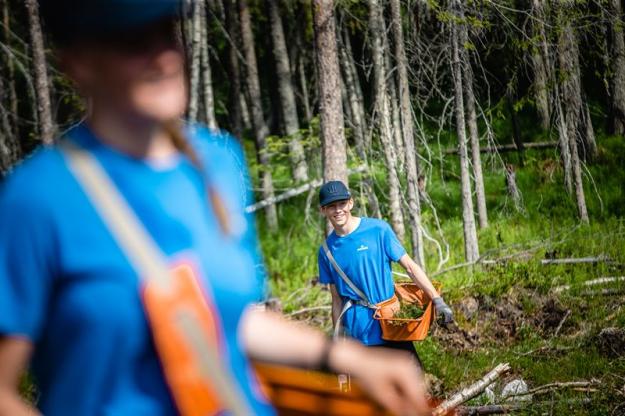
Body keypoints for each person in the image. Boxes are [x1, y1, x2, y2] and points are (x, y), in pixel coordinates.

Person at [0, 1, 430, 415]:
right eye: (134, 41)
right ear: (77, 62)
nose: (163, 56)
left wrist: (350, 360)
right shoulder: (38, 200)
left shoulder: (217, 163)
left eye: (168, 32)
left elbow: (229, 320)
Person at [318, 180, 454, 365]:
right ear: (323, 210)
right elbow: (336, 300)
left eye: (342, 203)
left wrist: (437, 300)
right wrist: (337, 340)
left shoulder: (378, 230)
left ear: (351, 203)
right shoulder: (326, 250)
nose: (338, 210)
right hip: (359, 333)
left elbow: (410, 267)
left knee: (413, 379)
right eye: (331, 206)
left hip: (391, 324)